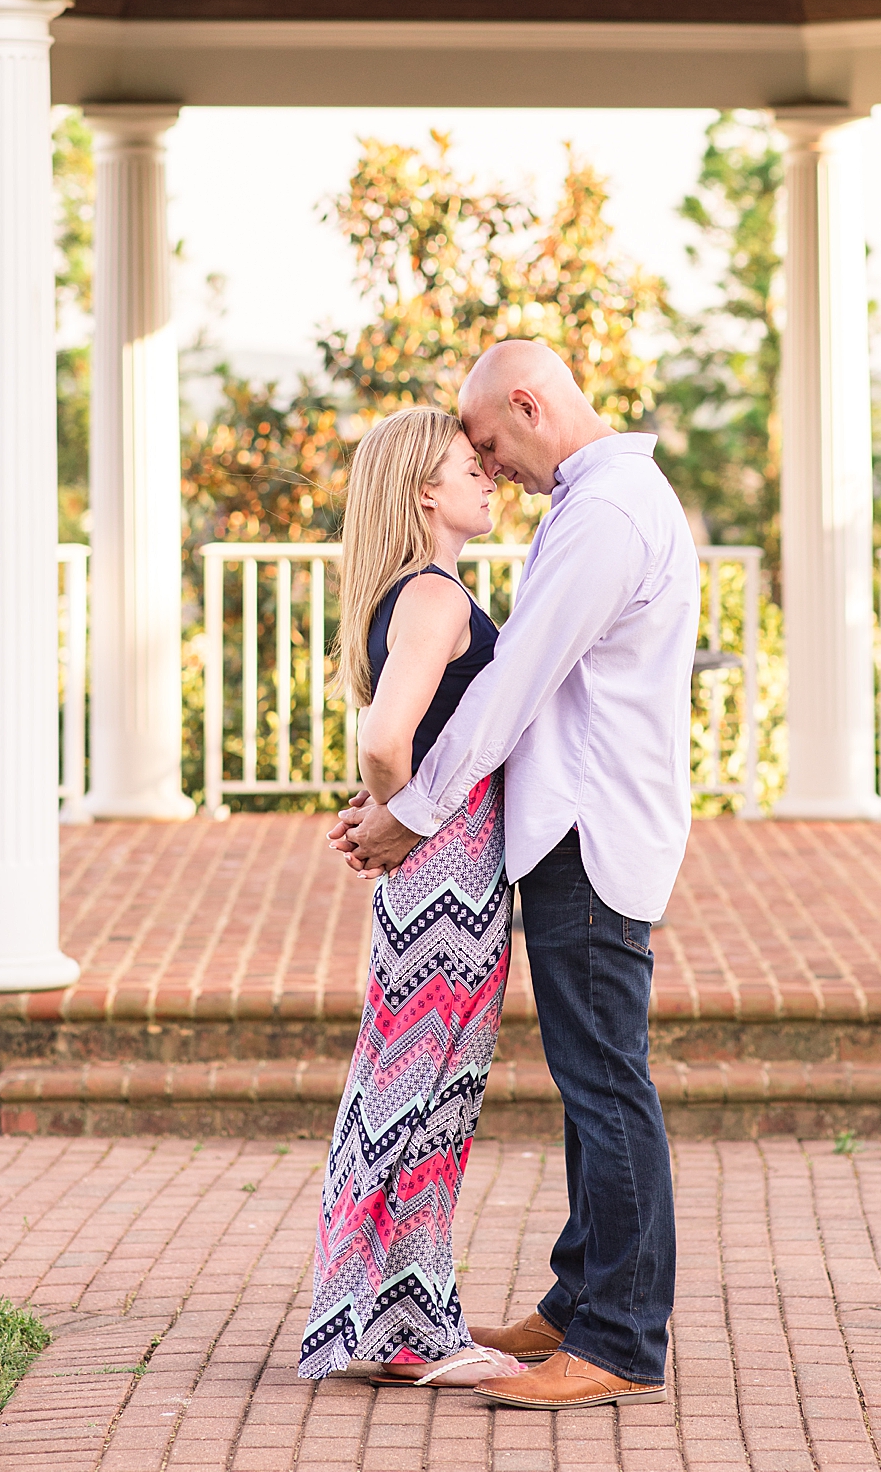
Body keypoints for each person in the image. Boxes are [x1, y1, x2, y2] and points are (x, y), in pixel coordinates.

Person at [331, 341, 700, 1412]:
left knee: (605, 1082)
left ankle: (621, 1339)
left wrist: (411, 811)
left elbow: (512, 689)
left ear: (529, 404)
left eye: (491, 440)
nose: (491, 465)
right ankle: (581, 1300)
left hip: (590, 831)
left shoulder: (604, 514)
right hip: (578, 830)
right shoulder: (601, 502)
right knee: (594, 1078)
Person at [298, 406, 526, 1389]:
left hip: (440, 875)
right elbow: (387, 742)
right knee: (428, 1096)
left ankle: (392, 1322)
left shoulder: (413, 592)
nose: (487, 478)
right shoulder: (433, 596)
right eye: (467, 468)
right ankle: (410, 1330)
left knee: (413, 1092)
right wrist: (409, 818)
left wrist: (401, 817)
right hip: (451, 876)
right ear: (424, 493)